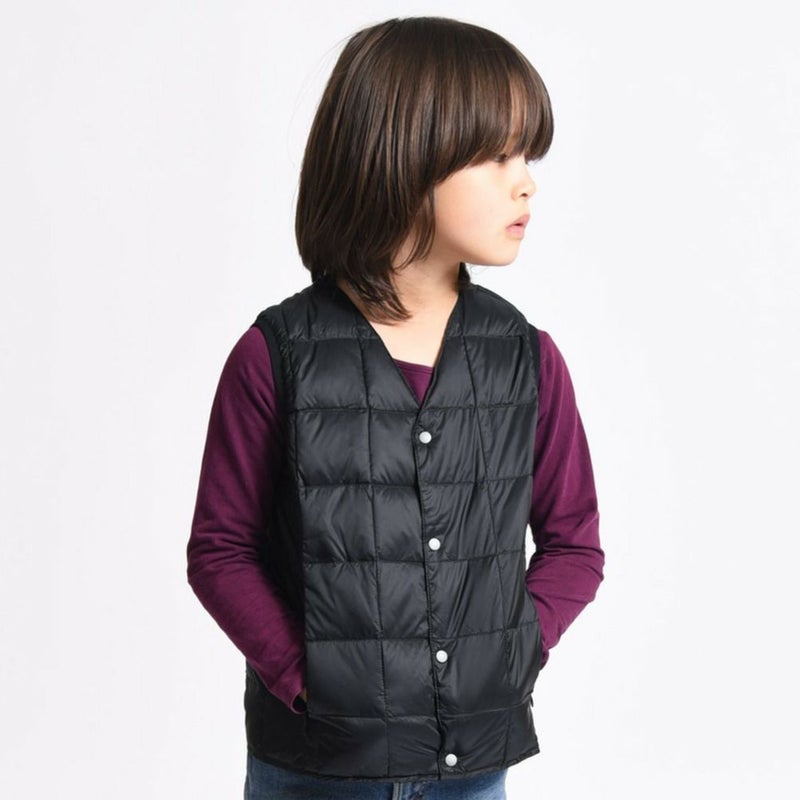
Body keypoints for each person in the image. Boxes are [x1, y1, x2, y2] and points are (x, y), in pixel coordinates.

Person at [187, 16, 604, 800]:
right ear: (405, 156)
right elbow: (221, 550)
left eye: (530, 157)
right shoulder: (277, 355)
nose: (526, 183)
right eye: (498, 155)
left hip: (471, 771)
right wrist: (309, 681)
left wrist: (511, 651)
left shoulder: (525, 358)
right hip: (315, 771)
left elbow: (575, 542)